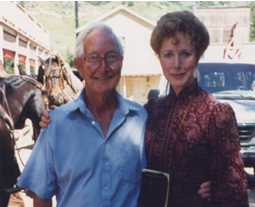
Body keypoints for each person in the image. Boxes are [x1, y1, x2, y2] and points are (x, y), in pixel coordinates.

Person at [17, 22, 148, 207]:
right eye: (94, 58)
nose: (103, 68)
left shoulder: (140, 120)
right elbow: (42, 197)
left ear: (121, 62)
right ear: (79, 65)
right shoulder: (56, 125)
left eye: (111, 57)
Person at [145, 11, 248, 206]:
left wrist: (217, 187)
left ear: (198, 56)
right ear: (159, 58)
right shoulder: (152, 111)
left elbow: (234, 191)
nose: (177, 64)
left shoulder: (217, 114)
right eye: (168, 55)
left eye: (185, 54)